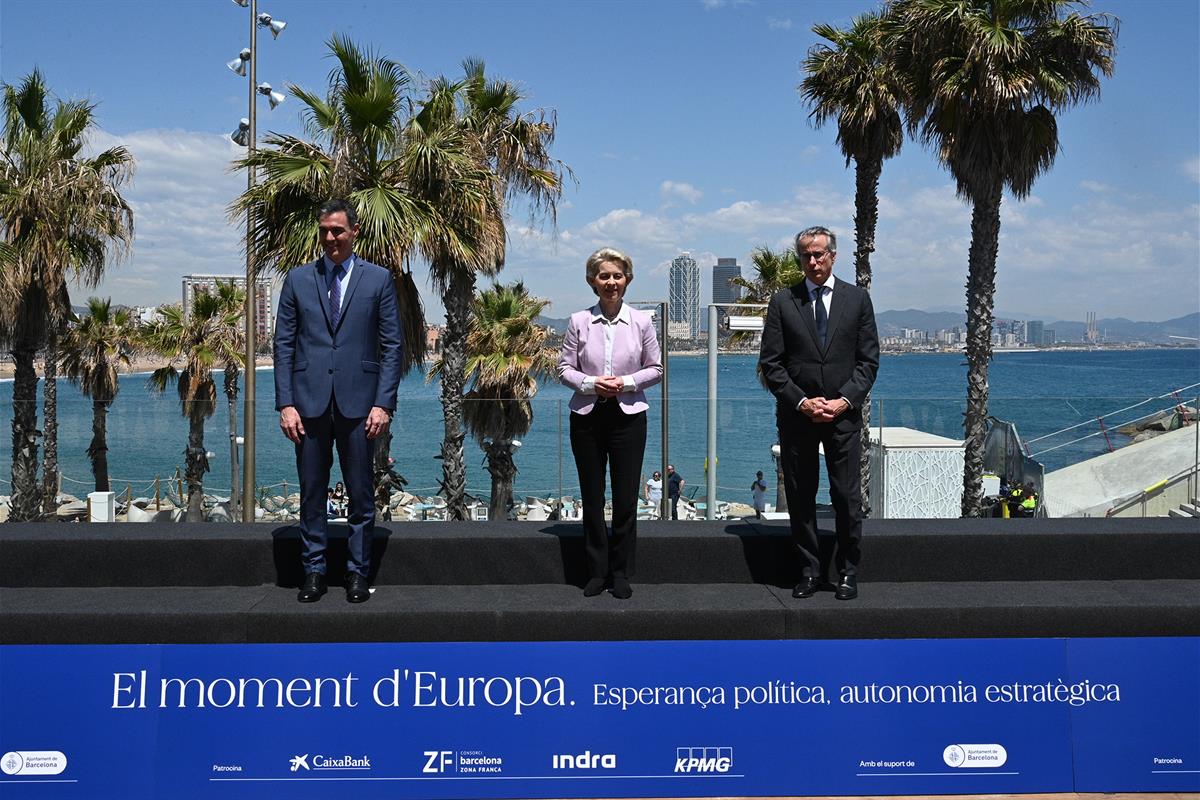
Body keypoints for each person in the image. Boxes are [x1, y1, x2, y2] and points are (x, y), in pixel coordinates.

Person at [274, 199, 404, 604]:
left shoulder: (378, 279)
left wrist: (383, 404)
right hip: (308, 405)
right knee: (311, 492)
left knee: (361, 495)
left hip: (360, 406)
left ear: (355, 232)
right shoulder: (297, 279)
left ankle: (357, 574)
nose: (330, 238)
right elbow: (283, 345)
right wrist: (286, 404)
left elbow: (392, 345)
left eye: (338, 230)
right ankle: (313, 572)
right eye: (325, 230)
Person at [759, 226, 879, 601]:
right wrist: (802, 401)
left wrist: (844, 400)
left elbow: (868, 361)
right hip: (798, 418)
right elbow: (772, 364)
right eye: (806, 255)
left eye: (820, 254)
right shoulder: (783, 302)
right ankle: (809, 572)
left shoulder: (857, 300)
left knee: (846, 497)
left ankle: (847, 573)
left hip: (843, 417)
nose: (813, 261)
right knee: (800, 495)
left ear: (833, 255)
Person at [559, 247, 663, 599]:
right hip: (587, 417)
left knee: (625, 499)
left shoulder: (642, 322)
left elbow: (656, 368)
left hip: (628, 418)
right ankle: (595, 571)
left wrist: (626, 383)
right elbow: (565, 369)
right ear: (592, 281)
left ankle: (620, 572)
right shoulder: (578, 322)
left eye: (617, 275)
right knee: (591, 496)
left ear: (627, 280)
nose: (611, 282)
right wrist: (591, 384)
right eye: (604, 276)